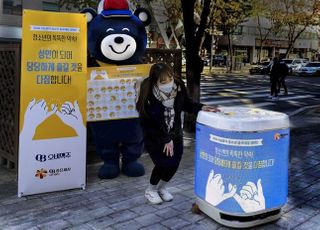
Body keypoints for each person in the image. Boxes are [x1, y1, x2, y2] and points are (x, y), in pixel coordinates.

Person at [136, 63, 219, 204]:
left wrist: (202, 107)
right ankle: (151, 190)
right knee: (163, 163)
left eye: (170, 78)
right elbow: (148, 124)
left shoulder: (178, 87)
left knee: (174, 163)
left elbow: (186, 103)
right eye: (163, 82)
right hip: (156, 136)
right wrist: (165, 139)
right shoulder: (149, 95)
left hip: (175, 133)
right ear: (155, 81)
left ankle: (162, 188)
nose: (168, 83)